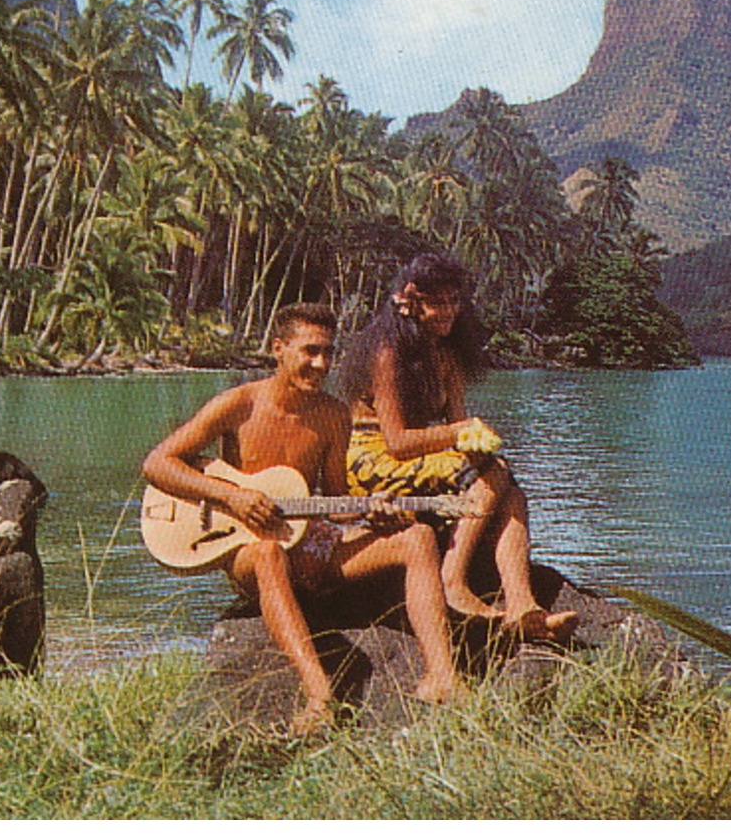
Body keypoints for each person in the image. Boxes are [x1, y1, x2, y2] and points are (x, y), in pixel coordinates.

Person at [142, 302, 460, 735]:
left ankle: (442, 676)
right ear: (278, 349)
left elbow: (336, 500)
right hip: (249, 548)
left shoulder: (331, 415)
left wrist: (374, 514)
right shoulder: (239, 403)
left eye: (328, 353)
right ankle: (319, 695)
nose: (321, 364)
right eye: (310, 351)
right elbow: (158, 464)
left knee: (419, 536)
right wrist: (232, 497)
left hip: (310, 543)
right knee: (268, 550)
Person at [337, 254, 577, 641]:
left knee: (511, 494)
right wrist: (463, 431)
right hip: (372, 458)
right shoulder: (386, 353)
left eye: (454, 301)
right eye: (439, 303)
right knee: (492, 473)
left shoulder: (446, 355)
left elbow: (457, 431)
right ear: (413, 302)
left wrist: (473, 439)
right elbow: (397, 443)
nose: (449, 311)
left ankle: (521, 604)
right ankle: (452, 578)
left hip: (418, 458)